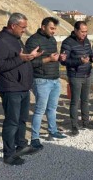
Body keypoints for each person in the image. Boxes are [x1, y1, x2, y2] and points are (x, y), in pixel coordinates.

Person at [0, 12, 43, 165]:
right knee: (12, 122)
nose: (24, 30)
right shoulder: (1, 41)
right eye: (22, 27)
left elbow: (21, 59)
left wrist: (30, 57)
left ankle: (21, 146)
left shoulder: (16, 39)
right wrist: (20, 58)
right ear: (13, 25)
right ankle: (9, 154)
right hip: (11, 87)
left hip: (22, 87)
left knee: (21, 120)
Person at [25, 17, 67, 150]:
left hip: (55, 78)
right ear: (43, 27)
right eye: (52, 28)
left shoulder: (52, 39)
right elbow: (30, 62)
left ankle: (53, 131)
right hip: (41, 80)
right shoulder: (33, 41)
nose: (54, 31)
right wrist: (49, 59)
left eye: (55, 28)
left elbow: (52, 58)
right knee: (39, 110)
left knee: (52, 108)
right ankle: (35, 138)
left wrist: (59, 58)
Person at [60, 21, 93, 136]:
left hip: (87, 74)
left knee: (85, 100)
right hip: (75, 76)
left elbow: (90, 54)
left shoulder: (86, 41)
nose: (84, 34)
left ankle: (86, 123)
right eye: (82, 31)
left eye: (86, 31)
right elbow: (64, 61)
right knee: (75, 102)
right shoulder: (67, 43)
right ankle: (74, 126)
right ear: (76, 30)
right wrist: (79, 61)